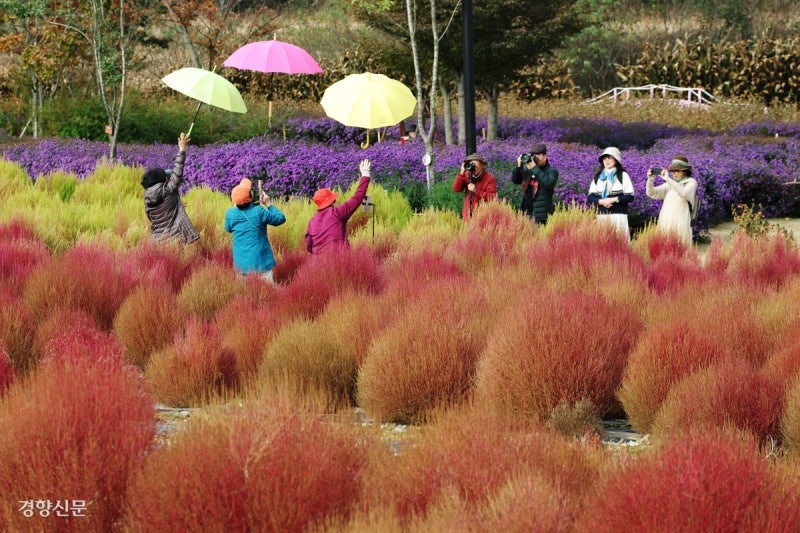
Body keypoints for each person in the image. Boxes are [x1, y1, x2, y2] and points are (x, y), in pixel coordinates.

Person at [141, 132, 199, 245]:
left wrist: (174, 203)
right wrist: (182, 149)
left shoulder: (147, 197)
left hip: (156, 241)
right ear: (161, 180)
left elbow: (151, 216)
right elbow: (177, 171)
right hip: (174, 239)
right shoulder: (167, 190)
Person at [224, 179, 286, 282]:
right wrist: (269, 204)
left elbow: (228, 228)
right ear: (251, 197)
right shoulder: (259, 211)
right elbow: (280, 218)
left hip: (241, 266)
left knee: (246, 295)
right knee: (268, 294)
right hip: (261, 263)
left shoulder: (230, 213)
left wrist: (237, 206)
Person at [305, 159, 371, 254]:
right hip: (341, 260)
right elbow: (357, 198)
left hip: (319, 265)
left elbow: (309, 245)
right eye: (334, 200)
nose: (336, 202)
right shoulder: (337, 213)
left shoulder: (312, 221)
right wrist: (365, 175)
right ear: (331, 202)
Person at [646, 155, 698, 247]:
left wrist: (668, 179)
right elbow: (652, 193)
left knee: (681, 248)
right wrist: (650, 180)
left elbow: (685, 193)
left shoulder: (691, 182)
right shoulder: (669, 184)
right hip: (666, 221)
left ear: (685, 171)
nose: (674, 173)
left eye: (677, 171)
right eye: (672, 171)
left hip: (680, 222)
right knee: (664, 250)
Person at [587, 147, 635, 240]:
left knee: (620, 243)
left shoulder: (622, 175)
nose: (607, 160)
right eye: (604, 158)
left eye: (610, 157)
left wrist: (613, 199)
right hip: (602, 216)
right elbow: (591, 197)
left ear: (616, 160)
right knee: (603, 244)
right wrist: (602, 201)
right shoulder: (598, 177)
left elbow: (630, 196)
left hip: (618, 216)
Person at [510, 143, 559, 224]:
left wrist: (534, 168)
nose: (537, 158)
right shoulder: (528, 169)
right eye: (534, 155)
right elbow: (515, 180)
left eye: (539, 155)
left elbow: (548, 183)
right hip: (524, 213)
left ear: (545, 156)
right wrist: (519, 166)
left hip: (540, 216)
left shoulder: (551, 171)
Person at [452, 153, 497, 221]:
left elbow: (491, 197)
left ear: (482, 165)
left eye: (475, 165)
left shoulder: (489, 178)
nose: (473, 167)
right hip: (467, 216)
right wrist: (461, 173)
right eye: (471, 164)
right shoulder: (467, 175)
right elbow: (456, 189)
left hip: (482, 217)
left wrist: (476, 191)